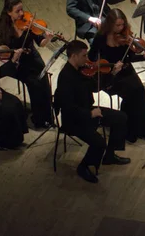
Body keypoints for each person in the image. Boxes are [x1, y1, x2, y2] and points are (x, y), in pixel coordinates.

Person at [54, 40, 130, 184]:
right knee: (99, 143)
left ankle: (109, 156)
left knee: (121, 117)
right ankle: (84, 167)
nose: (87, 58)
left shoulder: (81, 70)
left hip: (89, 110)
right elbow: (68, 107)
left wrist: (112, 74)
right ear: (74, 56)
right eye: (84, 55)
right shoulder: (66, 77)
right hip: (74, 120)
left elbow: (95, 87)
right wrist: (90, 114)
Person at [87, 8, 145, 143]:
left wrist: (143, 56)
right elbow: (91, 57)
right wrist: (103, 64)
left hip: (126, 71)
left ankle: (142, 128)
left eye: (122, 25)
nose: (120, 28)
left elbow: (130, 58)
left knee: (139, 90)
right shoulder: (100, 38)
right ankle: (128, 129)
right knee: (131, 94)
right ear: (110, 24)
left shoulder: (125, 37)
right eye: (117, 25)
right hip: (110, 75)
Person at [0, 0, 53, 128]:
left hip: (32, 58)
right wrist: (2, 53)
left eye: (22, 9)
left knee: (44, 81)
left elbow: (41, 43)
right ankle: (38, 119)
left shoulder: (28, 23)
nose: (22, 13)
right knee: (34, 84)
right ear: (9, 12)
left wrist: (49, 38)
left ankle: (47, 117)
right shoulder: (1, 29)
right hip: (17, 64)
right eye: (18, 11)